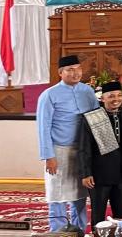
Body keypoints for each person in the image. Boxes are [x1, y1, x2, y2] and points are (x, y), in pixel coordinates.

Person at [37, 55, 99, 232]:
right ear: (60, 73)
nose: (75, 73)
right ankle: (57, 231)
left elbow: (96, 119)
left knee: (80, 193)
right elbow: (43, 127)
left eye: (78, 69)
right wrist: (49, 156)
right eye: (70, 70)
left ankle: (78, 231)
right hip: (59, 151)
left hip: (83, 150)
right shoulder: (49, 95)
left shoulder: (87, 92)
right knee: (57, 194)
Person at [77, 80, 122, 230]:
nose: (116, 99)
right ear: (102, 98)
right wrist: (86, 173)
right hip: (99, 175)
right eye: (111, 96)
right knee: (98, 214)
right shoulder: (91, 118)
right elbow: (84, 148)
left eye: (119, 95)